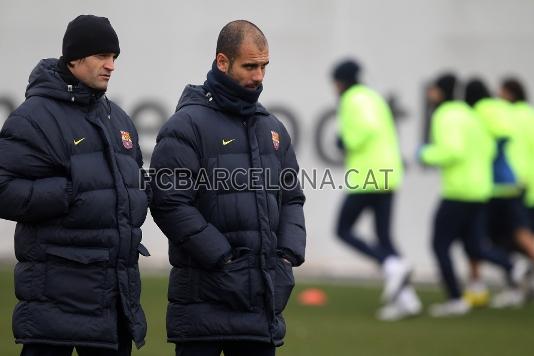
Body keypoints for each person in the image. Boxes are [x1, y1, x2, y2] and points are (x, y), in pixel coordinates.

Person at [150, 20, 306, 356]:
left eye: (264, 66)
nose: (259, 76)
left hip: (260, 307)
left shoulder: (273, 128)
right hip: (202, 304)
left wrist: (286, 255)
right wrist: (223, 258)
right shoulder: (186, 125)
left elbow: (291, 196)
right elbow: (169, 202)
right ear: (223, 62)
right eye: (250, 66)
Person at [0, 15, 149, 355]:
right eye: (101, 56)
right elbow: (3, 190)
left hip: (112, 304)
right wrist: (68, 193)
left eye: (114, 57)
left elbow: (129, 188)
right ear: (74, 58)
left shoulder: (120, 120)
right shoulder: (33, 117)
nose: (111, 66)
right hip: (54, 305)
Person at [419, 74, 518, 317]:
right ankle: (513, 266)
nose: (429, 95)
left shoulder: (445, 114)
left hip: (459, 191)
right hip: (479, 190)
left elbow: (452, 151)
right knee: (473, 245)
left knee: (439, 244)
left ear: (441, 91)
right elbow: (488, 148)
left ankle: (455, 298)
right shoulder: (469, 114)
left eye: (432, 90)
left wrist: (425, 154)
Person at [332, 59, 421, 321]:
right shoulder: (373, 96)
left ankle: (393, 265)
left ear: (341, 82)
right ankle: (407, 300)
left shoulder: (352, 99)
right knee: (384, 236)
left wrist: (345, 140)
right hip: (389, 173)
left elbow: (366, 130)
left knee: (343, 229)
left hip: (368, 174)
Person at [464, 78, 533, 308]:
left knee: (478, 238)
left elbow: (495, 141)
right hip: (519, 183)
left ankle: (493, 279)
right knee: (510, 236)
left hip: (496, 184)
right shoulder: (520, 113)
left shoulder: (487, 112)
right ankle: (512, 284)